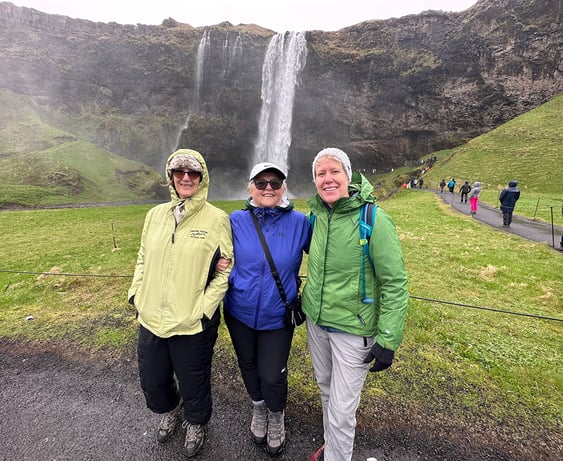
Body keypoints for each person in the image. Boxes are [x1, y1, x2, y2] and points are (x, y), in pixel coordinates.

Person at [302, 148, 409, 461]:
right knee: (326, 390)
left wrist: (388, 338)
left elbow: (395, 282)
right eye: (320, 174)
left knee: (341, 409)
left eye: (334, 171)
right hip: (317, 323)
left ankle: (337, 456)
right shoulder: (317, 216)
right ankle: (332, 448)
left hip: (355, 329)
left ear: (348, 176)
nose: (328, 179)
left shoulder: (373, 219)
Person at [128, 149, 233, 458]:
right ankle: (170, 409)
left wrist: (204, 309)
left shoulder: (217, 219)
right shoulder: (154, 216)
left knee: (194, 378)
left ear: (202, 179)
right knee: (153, 378)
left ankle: (196, 422)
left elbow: (225, 271)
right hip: (151, 317)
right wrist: (136, 293)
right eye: (179, 172)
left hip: (192, 320)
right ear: (170, 177)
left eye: (193, 173)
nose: (186, 177)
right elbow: (143, 258)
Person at [223, 162, 311, 455]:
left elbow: (330, 255)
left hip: (277, 315)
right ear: (250, 188)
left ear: (284, 187)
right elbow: (208, 253)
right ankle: (258, 408)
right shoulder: (235, 221)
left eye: (275, 182)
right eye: (261, 183)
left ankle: (276, 414)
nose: (268, 188)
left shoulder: (300, 223)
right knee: (247, 365)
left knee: (272, 373)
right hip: (238, 312)